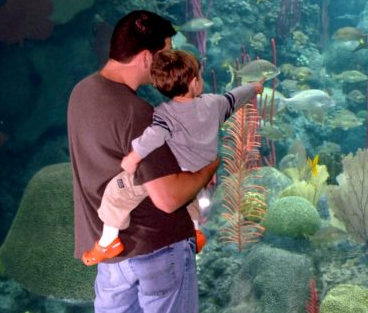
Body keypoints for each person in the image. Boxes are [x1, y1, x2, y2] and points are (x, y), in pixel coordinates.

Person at [34, 10, 219, 313]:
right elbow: (166, 197)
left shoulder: (81, 94)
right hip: (160, 254)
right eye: (163, 55)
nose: (168, 65)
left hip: (112, 255)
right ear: (144, 56)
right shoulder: (140, 116)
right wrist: (207, 169)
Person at [83, 48, 262, 266]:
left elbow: (153, 136)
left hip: (176, 172)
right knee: (190, 199)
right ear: (195, 83)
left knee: (117, 191)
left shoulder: (165, 113)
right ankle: (195, 232)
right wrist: (253, 88)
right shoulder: (214, 103)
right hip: (200, 169)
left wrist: (133, 157)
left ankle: (108, 240)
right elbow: (234, 98)